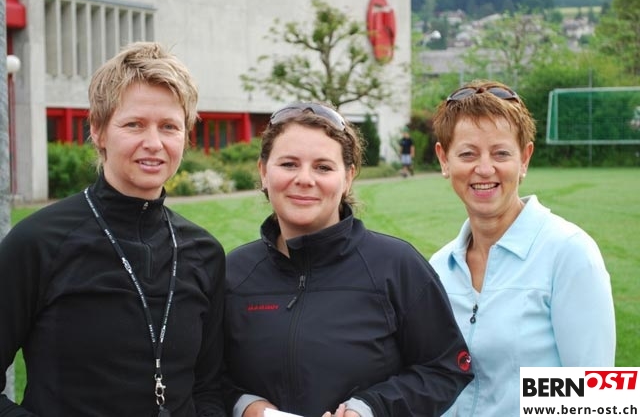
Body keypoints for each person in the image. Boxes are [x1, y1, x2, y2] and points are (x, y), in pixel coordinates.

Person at [0, 42, 227, 416]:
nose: (153, 143)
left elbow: (209, 386)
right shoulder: (38, 243)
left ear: (185, 136)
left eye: (169, 127)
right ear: (98, 130)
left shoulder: (204, 252)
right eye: (134, 124)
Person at [223, 101, 473, 417]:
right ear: (263, 172)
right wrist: (244, 405)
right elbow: (204, 377)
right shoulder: (233, 273)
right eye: (288, 164)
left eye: (323, 167)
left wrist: (370, 408)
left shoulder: (397, 266)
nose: (304, 179)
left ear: (348, 177)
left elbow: (445, 368)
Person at [430, 79, 616, 416]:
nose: (484, 168)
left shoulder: (570, 253)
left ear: (525, 159)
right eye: (468, 154)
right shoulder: (439, 267)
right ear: (444, 160)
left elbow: (596, 398)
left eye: (501, 153)